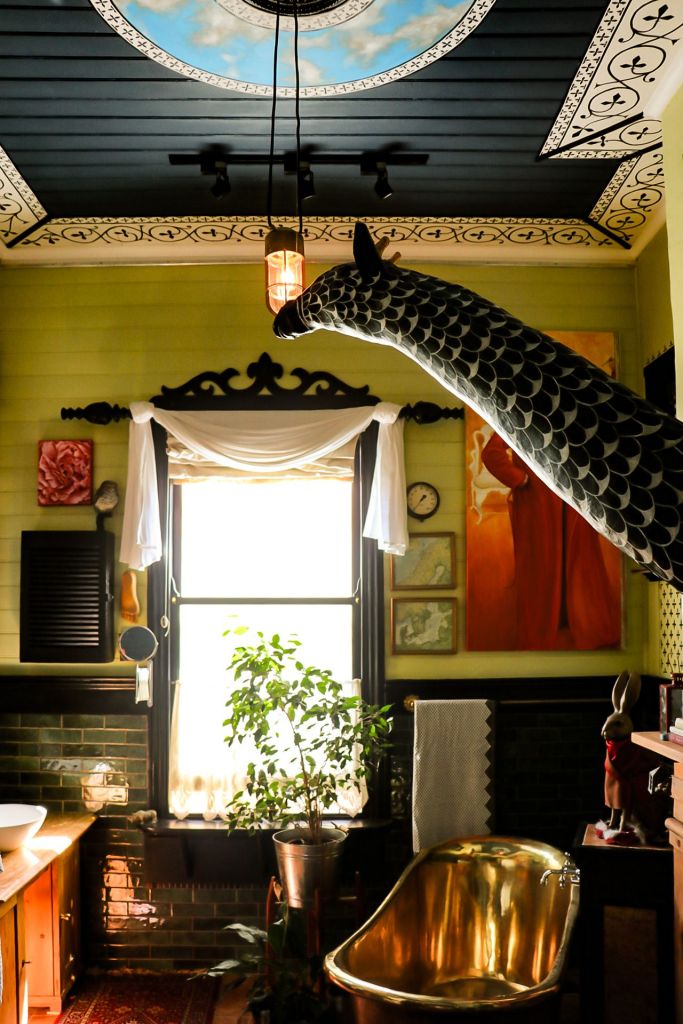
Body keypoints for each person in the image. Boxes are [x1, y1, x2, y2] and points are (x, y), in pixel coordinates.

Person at [481, 431, 621, 650]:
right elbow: (491, 453)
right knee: (542, 566)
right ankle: (543, 628)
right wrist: (519, 478)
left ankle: (586, 624)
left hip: (575, 500)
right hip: (537, 502)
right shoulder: (518, 412)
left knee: (581, 562)